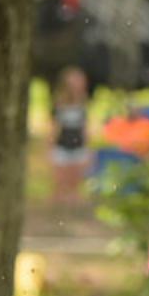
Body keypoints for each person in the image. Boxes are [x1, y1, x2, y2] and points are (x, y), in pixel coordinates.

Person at [48, 68, 92, 205]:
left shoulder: (83, 102)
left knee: (75, 177)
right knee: (60, 178)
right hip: (62, 143)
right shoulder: (59, 102)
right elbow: (54, 126)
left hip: (78, 143)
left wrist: (88, 145)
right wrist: (50, 144)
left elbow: (85, 126)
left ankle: (72, 199)